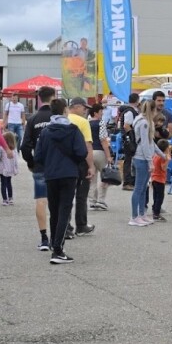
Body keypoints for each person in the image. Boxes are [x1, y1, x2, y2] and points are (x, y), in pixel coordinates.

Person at [34, 99, 87, 264]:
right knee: (65, 210)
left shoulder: (46, 132)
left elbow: (38, 156)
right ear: (65, 110)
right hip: (69, 174)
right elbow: (81, 152)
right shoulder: (73, 130)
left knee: (54, 210)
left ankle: (54, 243)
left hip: (51, 174)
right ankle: (58, 249)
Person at [21, 86, 56, 251]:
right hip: (58, 164)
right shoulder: (58, 117)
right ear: (53, 97)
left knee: (41, 200)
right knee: (59, 200)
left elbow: (25, 145)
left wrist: (31, 162)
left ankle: (44, 238)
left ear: (39, 98)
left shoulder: (33, 119)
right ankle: (59, 234)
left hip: (40, 164)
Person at [130, 100, 164, 226]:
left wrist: (161, 154)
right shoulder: (145, 123)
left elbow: (150, 142)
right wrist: (150, 161)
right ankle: (134, 216)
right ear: (153, 110)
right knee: (139, 188)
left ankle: (141, 214)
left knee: (143, 188)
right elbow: (145, 143)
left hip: (142, 157)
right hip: (141, 158)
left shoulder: (142, 121)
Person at [67, 97, 96, 237]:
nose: (86, 111)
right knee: (81, 195)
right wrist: (91, 165)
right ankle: (81, 225)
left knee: (66, 196)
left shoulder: (62, 118)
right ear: (76, 106)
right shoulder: (83, 122)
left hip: (64, 162)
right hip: (80, 162)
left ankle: (65, 226)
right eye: (84, 108)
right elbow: (87, 145)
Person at [88, 103, 113, 211]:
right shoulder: (101, 123)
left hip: (89, 152)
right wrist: (108, 156)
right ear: (95, 113)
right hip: (99, 151)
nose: (102, 114)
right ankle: (100, 200)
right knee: (105, 176)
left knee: (92, 178)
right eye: (101, 112)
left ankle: (92, 201)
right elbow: (103, 140)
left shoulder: (87, 123)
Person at [119, 93, 140, 190]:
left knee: (129, 160)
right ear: (137, 100)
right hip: (129, 140)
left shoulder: (130, 111)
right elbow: (126, 125)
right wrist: (132, 136)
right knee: (129, 160)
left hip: (128, 139)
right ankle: (127, 182)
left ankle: (130, 181)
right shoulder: (130, 112)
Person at [151, 138, 171, 222]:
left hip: (154, 178)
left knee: (155, 196)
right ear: (166, 148)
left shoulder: (155, 155)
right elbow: (163, 168)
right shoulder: (163, 157)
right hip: (160, 179)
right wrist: (168, 160)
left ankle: (154, 208)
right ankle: (156, 213)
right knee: (160, 197)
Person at [0, 131, 19, 206]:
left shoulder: (1, 148)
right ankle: (10, 198)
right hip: (10, 169)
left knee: (3, 184)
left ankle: (4, 199)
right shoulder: (14, 149)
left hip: (3, 169)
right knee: (9, 183)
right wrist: (16, 169)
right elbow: (16, 160)